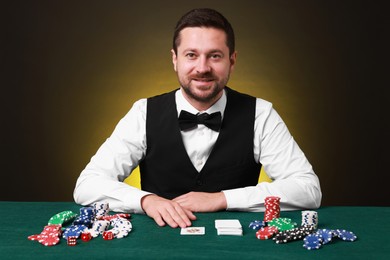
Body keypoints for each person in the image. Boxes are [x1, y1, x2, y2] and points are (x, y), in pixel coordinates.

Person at [73, 8, 322, 229]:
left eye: (214, 56)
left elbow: (308, 189)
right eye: (191, 55)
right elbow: (87, 184)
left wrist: (222, 198)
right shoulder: (142, 112)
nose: (202, 68)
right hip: (157, 245)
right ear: (175, 59)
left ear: (232, 61)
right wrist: (145, 200)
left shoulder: (261, 114)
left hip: (238, 248)